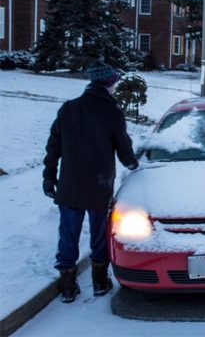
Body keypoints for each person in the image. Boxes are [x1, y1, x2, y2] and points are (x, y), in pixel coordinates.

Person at [43, 61, 138, 303]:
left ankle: (67, 285)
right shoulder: (111, 111)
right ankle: (99, 281)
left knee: (68, 233)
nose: (116, 86)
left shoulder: (68, 109)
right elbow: (123, 146)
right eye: (114, 82)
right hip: (99, 184)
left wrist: (49, 177)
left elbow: (53, 147)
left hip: (70, 185)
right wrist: (134, 166)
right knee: (99, 234)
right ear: (108, 83)